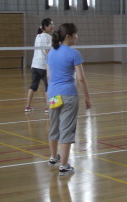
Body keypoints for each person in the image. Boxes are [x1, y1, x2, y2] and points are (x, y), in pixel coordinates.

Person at [46, 23, 92, 176]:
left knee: (54, 126)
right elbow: (81, 79)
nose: (77, 37)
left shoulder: (51, 52)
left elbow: (48, 76)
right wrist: (87, 97)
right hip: (68, 95)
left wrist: (52, 91)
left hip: (53, 94)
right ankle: (64, 166)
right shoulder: (74, 54)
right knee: (66, 129)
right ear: (68, 36)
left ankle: (54, 157)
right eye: (75, 34)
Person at [25, 18, 54, 112]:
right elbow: (48, 52)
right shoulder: (48, 37)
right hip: (44, 65)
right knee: (48, 87)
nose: (53, 26)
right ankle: (47, 107)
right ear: (46, 26)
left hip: (35, 65)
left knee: (33, 85)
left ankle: (27, 106)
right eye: (51, 24)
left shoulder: (37, 36)